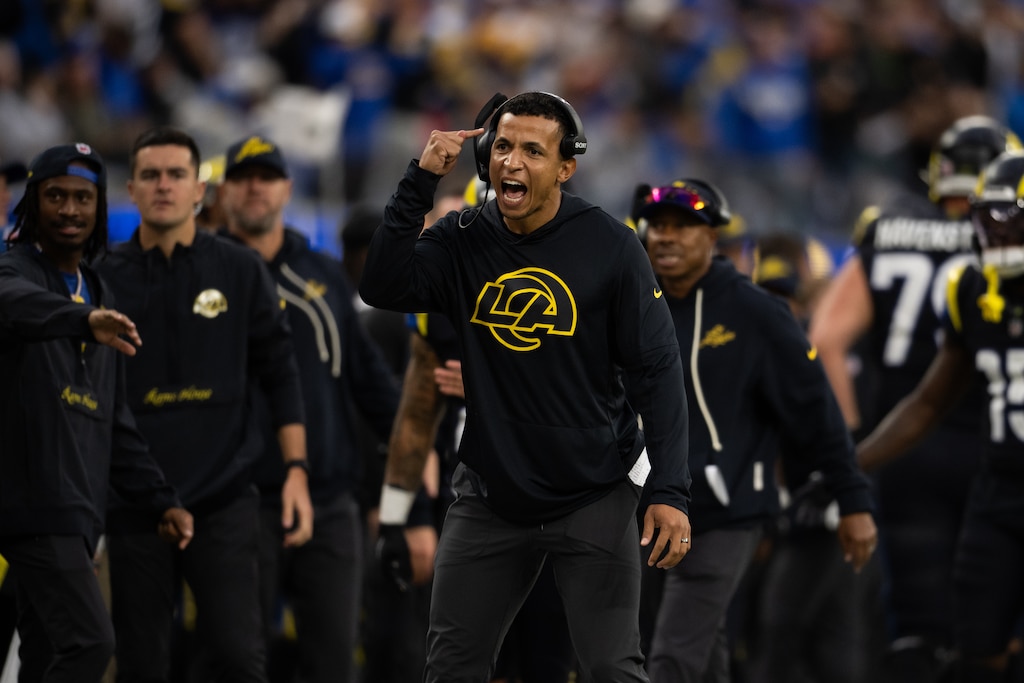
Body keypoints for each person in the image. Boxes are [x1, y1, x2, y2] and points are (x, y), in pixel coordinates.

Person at [360, 90, 692, 683]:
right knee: (451, 670)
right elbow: (382, 285)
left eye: (533, 151)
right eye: (503, 146)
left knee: (613, 669)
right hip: (491, 495)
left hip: (593, 491)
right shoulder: (462, 235)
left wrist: (671, 489)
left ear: (566, 167)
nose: (512, 162)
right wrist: (420, 181)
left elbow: (658, 371)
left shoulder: (612, 246)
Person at [630, 178, 877, 683]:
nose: (667, 237)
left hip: (728, 511)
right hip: (647, 508)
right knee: (698, 646)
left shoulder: (754, 311)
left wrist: (852, 499)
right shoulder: (631, 304)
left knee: (671, 656)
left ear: (713, 238)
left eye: (683, 227)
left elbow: (815, 407)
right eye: (659, 226)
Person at [95, 126, 313, 683]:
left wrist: (295, 470)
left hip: (224, 498)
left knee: (240, 659)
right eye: (150, 176)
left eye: (176, 175)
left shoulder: (240, 270)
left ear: (200, 191)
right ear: (132, 189)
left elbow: (281, 372)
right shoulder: (100, 281)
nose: (163, 186)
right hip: (134, 502)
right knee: (142, 664)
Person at [809, 115, 1021, 680]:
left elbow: (827, 339)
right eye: (989, 222)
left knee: (920, 629)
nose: (994, 235)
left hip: (915, 457)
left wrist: (851, 441)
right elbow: (931, 398)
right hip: (985, 454)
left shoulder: (891, 231)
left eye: (1006, 223)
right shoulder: (977, 280)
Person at [0, 143, 193, 683]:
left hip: (80, 511)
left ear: (100, 208)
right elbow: (10, 301)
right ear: (33, 204)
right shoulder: (14, 269)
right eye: (55, 195)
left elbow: (115, 419)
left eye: (83, 198)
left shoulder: (100, 289)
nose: (69, 210)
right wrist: (81, 322)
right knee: (90, 642)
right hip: (33, 504)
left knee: (45, 656)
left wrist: (160, 499)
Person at [218, 134, 401, 683]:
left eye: (267, 176)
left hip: (330, 503)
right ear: (226, 190)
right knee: (233, 660)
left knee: (335, 662)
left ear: (287, 189)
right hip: (237, 503)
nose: (255, 187)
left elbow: (368, 378)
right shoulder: (208, 271)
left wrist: (414, 452)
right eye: (244, 176)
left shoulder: (320, 271)